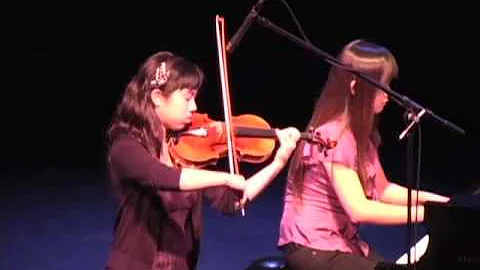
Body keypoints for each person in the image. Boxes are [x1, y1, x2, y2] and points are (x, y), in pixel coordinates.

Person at [104, 51, 301, 270]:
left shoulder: (187, 150)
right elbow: (164, 176)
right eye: (188, 98)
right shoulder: (125, 146)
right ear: (157, 97)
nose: (194, 107)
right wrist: (225, 177)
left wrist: (278, 162)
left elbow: (233, 202)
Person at [277, 39, 450, 270]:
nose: (388, 94)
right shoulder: (333, 136)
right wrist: (427, 214)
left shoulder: (361, 137)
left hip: (340, 242)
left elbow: (384, 190)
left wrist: (443, 204)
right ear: (355, 86)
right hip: (313, 247)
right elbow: (359, 209)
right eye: (383, 86)